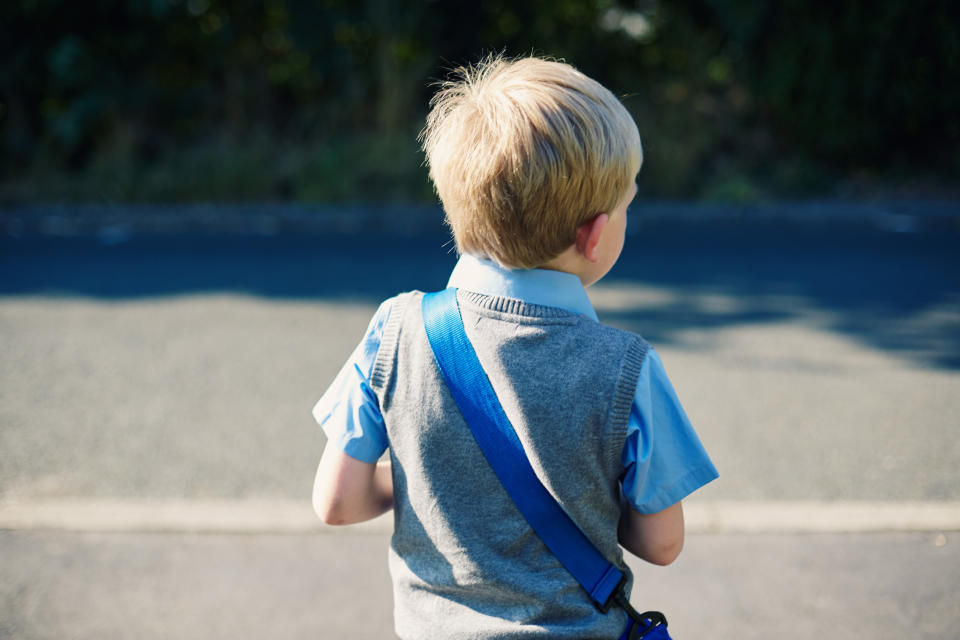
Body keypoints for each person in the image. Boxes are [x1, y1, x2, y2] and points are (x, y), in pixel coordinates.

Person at [311, 55, 718, 639]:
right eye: (629, 203)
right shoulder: (626, 367)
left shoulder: (395, 330)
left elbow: (338, 502)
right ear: (595, 233)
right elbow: (662, 542)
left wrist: (438, 481)